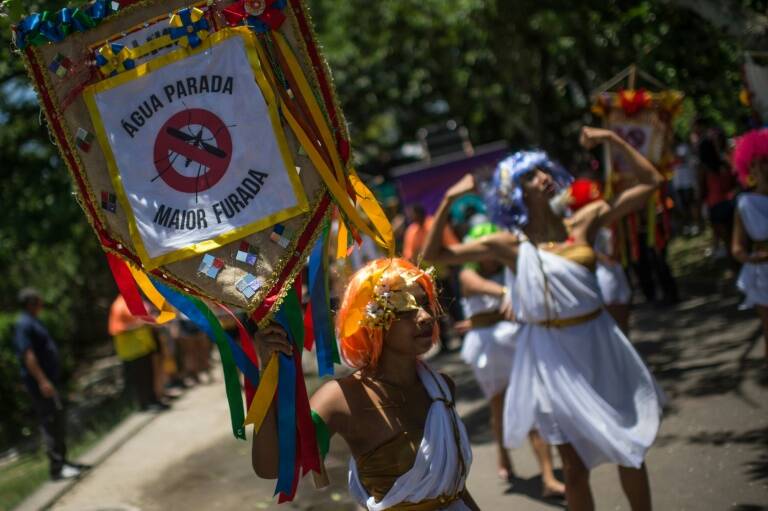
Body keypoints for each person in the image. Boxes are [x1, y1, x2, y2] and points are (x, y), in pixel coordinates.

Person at [422, 126, 665, 511]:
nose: (546, 178)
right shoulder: (510, 246)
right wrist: (450, 199)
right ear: (517, 193)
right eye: (533, 176)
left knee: (630, 448)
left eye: (544, 170)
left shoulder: (584, 222)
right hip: (555, 361)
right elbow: (434, 256)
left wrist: (612, 141)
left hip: (602, 345)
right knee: (574, 466)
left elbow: (651, 182)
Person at [252, 258, 480, 510]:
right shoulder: (342, 398)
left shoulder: (441, 387)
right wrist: (266, 374)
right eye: (404, 308)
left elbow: (453, 488)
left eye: (425, 303)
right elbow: (272, 468)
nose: (425, 316)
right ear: (372, 323)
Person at [458, 219, 564, 496]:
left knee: (533, 404)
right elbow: (477, 286)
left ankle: (548, 476)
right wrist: (506, 293)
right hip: (489, 352)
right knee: (498, 408)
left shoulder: (510, 268)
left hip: (517, 344)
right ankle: (503, 454)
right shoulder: (468, 275)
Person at [12, 288, 88, 480]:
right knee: (50, 422)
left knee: (57, 419)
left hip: (48, 381)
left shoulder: (33, 321)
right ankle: (57, 467)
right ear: (30, 303)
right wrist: (42, 380)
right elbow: (28, 356)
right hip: (40, 384)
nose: (41, 303)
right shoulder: (23, 325)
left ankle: (63, 461)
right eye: (38, 300)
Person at [731, 128, 768, 362]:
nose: (764, 168)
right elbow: (737, 247)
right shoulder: (745, 203)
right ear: (749, 168)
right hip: (763, 274)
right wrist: (751, 258)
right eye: (758, 163)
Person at [108, 295, 169, 412]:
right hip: (132, 351)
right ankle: (145, 404)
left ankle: (153, 400)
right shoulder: (119, 305)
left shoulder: (134, 300)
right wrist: (140, 324)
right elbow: (116, 328)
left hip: (144, 346)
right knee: (140, 379)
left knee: (149, 375)